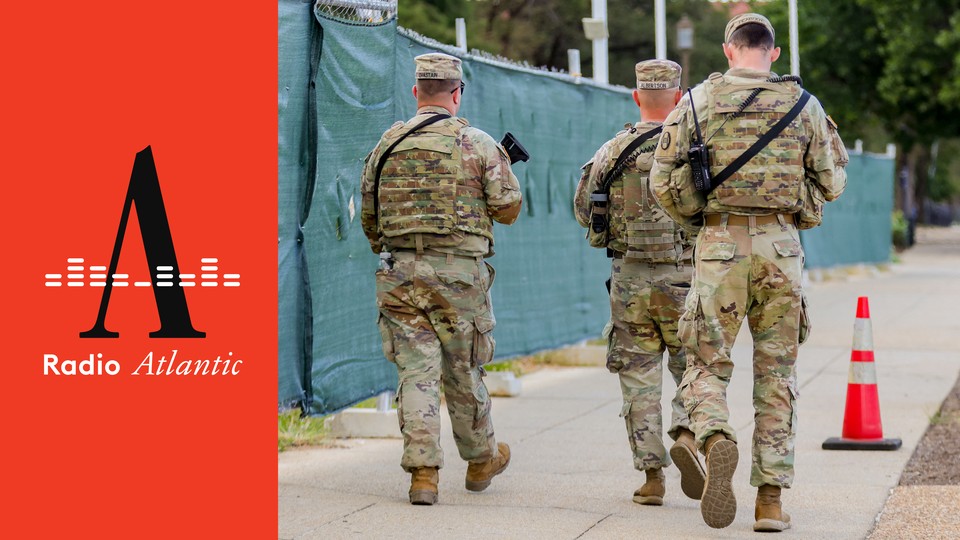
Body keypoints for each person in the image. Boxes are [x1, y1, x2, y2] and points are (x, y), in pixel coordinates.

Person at [650, 13, 848, 532]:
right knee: (777, 376)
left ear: (728, 49)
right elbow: (833, 181)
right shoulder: (805, 106)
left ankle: (715, 436)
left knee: (704, 362)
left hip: (718, 245)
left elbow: (661, 180)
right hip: (781, 248)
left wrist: (696, 217)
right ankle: (770, 502)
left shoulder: (695, 102)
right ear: (774, 54)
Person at [360, 52, 522, 506]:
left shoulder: (385, 145)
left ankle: (424, 476)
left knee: (416, 371)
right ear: (457, 93)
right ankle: (480, 459)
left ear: (416, 92)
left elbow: (370, 219)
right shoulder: (478, 143)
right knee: (463, 365)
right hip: (458, 275)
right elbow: (508, 209)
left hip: (398, 274)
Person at [574, 60, 706, 507]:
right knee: (693, 366)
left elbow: (583, 211)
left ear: (636, 97)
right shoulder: (693, 149)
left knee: (637, 379)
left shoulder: (611, 151)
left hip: (628, 279)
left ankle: (651, 477)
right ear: (678, 97)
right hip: (685, 277)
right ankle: (686, 433)